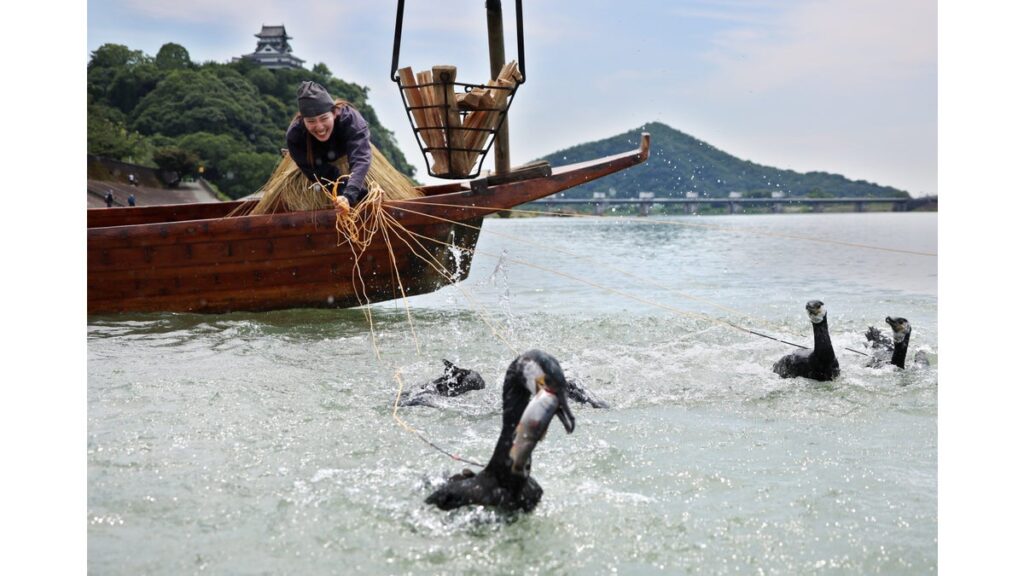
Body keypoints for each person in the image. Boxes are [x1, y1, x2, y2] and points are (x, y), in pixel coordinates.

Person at [285, 81, 372, 214]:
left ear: (335, 112)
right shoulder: (295, 136)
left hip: (357, 170)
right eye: (311, 121)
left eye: (324, 118)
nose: (319, 127)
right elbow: (318, 172)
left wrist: (351, 194)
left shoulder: (350, 120)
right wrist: (343, 196)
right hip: (320, 178)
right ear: (303, 120)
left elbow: (361, 158)